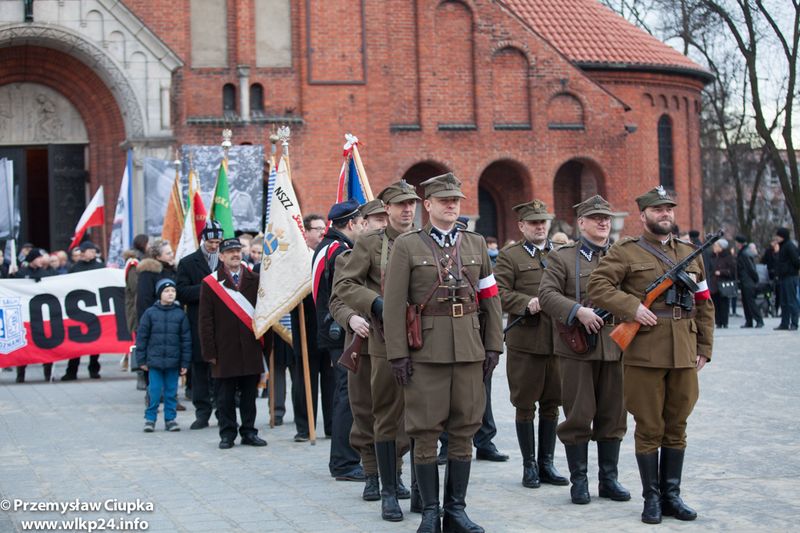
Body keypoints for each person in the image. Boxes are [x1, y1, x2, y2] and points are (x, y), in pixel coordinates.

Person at [383, 172, 503, 533]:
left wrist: (493, 344)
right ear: (428, 205)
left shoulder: (475, 243)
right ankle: (430, 512)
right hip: (426, 353)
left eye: (456, 200)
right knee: (425, 430)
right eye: (445, 200)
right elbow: (393, 305)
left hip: (469, 349)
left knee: (465, 429)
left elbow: (490, 299)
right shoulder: (408, 245)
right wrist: (397, 354)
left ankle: (456, 511)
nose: (452, 205)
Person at [587, 186, 714, 524]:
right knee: (649, 426)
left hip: (684, 350)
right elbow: (598, 287)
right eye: (658, 210)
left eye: (669, 209)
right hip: (644, 351)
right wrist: (631, 308)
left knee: (678, 425)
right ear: (643, 215)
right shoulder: (625, 252)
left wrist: (704, 347)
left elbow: (704, 303)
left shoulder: (691, 251)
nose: (665, 214)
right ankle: (652, 498)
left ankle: (672, 495)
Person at [539, 195, 629, 505]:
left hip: (616, 345)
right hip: (576, 347)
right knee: (578, 415)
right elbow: (547, 295)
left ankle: (609, 479)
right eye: (595, 218)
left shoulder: (620, 256)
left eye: (606, 217)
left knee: (614, 413)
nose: (603, 222)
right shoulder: (562, 257)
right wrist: (578, 311)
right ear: (581, 223)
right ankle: (579, 480)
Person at [336, 187, 420, 519]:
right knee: (366, 409)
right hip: (366, 342)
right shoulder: (358, 252)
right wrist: (354, 317)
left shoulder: (417, 244)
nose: (383, 221)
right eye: (377, 217)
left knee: (399, 413)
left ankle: (393, 472)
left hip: (404, 339)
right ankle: (372, 473)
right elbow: (338, 298)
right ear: (366, 221)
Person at [494, 199, 569, 490]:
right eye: (534, 223)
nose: (540, 227)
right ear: (522, 226)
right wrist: (526, 302)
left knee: (552, 403)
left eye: (543, 222)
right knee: (525, 404)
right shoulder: (510, 256)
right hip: (526, 341)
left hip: (557, 341)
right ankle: (529, 465)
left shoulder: (560, 254)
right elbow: (497, 293)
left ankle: (547, 463)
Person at [312, 199, 366, 481]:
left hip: (332, 331)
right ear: (351, 223)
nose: (363, 228)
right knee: (348, 396)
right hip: (340, 331)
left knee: (344, 394)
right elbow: (342, 295)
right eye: (361, 223)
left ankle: (344, 458)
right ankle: (344, 462)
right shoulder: (340, 251)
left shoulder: (327, 247)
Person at [199, 237, 268, 449]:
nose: (235, 254)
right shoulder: (210, 283)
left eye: (238, 251)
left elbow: (265, 313)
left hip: (250, 347)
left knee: (249, 394)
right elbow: (205, 320)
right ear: (221, 256)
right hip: (224, 348)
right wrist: (210, 351)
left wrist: (267, 348)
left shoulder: (255, 279)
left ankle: (249, 431)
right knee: (225, 396)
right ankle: (227, 433)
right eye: (230, 252)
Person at [291, 214, 335, 442]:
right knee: (304, 379)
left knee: (330, 379)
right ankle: (304, 427)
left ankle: (331, 425)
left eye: (323, 228)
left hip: (326, 325)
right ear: (305, 232)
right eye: (316, 228)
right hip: (305, 325)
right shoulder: (296, 259)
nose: (321, 232)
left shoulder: (329, 254)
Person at [176, 221, 224, 429]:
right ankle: (202, 412)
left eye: (218, 242)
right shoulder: (188, 263)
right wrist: (207, 288)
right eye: (211, 241)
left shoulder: (225, 261)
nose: (215, 246)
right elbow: (182, 292)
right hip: (198, 322)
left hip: (222, 324)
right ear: (203, 239)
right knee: (200, 370)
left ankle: (223, 410)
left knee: (222, 370)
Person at [137, 279, 191, 432]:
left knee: (171, 393)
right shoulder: (150, 313)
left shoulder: (180, 314)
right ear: (159, 294)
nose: (170, 294)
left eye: (173, 291)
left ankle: (170, 419)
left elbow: (186, 340)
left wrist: (185, 363)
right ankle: (150, 419)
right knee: (154, 392)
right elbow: (142, 337)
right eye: (166, 291)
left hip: (173, 363)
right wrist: (141, 359)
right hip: (154, 362)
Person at [61, 241, 105, 381]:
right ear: (83, 252)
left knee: (96, 342)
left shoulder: (100, 267)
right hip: (78, 309)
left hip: (95, 308)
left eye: (93, 251)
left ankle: (94, 369)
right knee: (76, 342)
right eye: (90, 251)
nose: (92, 253)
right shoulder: (75, 268)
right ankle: (71, 371)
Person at [13, 247, 55, 383]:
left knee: (46, 345)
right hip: (25, 316)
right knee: (23, 346)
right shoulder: (21, 274)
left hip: (42, 316)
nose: (41, 260)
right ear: (32, 259)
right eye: (38, 258)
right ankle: (20, 375)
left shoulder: (46, 274)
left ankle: (48, 374)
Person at [123, 234, 149, 382]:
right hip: (136, 307)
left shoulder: (142, 259)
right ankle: (140, 372)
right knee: (140, 340)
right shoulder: (134, 263)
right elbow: (135, 287)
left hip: (140, 306)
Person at [773, 227, 800, 330]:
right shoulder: (782, 246)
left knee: (791, 301)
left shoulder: (789, 246)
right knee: (784, 302)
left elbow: (796, 261)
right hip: (783, 277)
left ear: (783, 236)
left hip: (790, 277)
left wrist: (789, 269)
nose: (777, 238)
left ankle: (794, 323)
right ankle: (784, 323)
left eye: (778, 236)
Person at [735, 235, 763, 328]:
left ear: (739, 243)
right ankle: (749, 321)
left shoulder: (745, 253)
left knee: (750, 302)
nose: (735, 244)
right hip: (744, 280)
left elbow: (751, 268)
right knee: (746, 302)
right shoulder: (744, 252)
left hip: (748, 281)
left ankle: (759, 320)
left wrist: (755, 279)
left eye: (736, 242)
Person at [709, 238, 735, 328]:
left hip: (723, 284)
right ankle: (718, 322)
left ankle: (725, 322)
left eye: (716, 245)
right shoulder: (712, 256)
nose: (714, 247)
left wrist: (721, 272)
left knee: (724, 304)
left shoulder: (728, 257)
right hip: (714, 284)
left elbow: (732, 271)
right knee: (715, 304)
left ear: (721, 247)